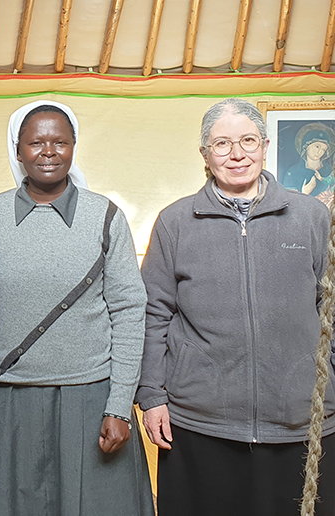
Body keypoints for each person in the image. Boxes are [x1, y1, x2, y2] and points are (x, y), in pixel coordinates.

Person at [137, 98, 335, 516]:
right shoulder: (175, 222)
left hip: (301, 421)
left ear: (264, 146)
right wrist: (152, 395)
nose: (237, 154)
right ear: (205, 156)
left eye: (247, 140)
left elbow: (331, 308)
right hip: (200, 423)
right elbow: (153, 314)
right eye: (222, 144)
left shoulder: (312, 217)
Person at [0, 100, 153, 516]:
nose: (48, 151)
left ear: (74, 148)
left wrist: (119, 405)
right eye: (36, 142)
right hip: (6, 400)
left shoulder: (105, 216)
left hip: (89, 399)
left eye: (60, 142)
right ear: (18, 152)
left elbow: (129, 311)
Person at [280, 124, 335, 203]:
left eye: (323, 150)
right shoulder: (293, 172)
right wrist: (304, 193)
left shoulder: (330, 171)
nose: (319, 152)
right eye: (317, 146)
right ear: (306, 146)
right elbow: (288, 204)